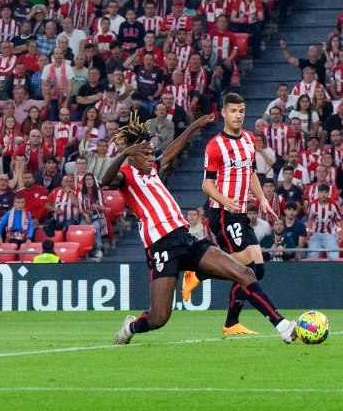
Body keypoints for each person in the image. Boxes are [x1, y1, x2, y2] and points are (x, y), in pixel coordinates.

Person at [106, 112, 293, 345]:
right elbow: (105, 180)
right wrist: (122, 154)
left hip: (185, 237)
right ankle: (131, 326)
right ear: (133, 155)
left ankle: (284, 327)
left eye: (150, 150)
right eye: (145, 152)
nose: (150, 154)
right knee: (158, 318)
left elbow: (171, 152)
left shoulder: (152, 169)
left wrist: (195, 125)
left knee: (245, 273)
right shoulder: (125, 175)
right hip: (161, 245)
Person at [200, 90, 287, 336]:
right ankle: (200, 272)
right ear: (224, 113)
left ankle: (231, 323)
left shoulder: (249, 139)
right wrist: (225, 200)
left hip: (239, 213)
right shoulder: (215, 145)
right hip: (223, 213)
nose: (238, 116)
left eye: (242, 111)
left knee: (256, 271)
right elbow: (206, 185)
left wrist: (263, 200)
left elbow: (250, 174)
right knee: (247, 270)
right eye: (234, 111)